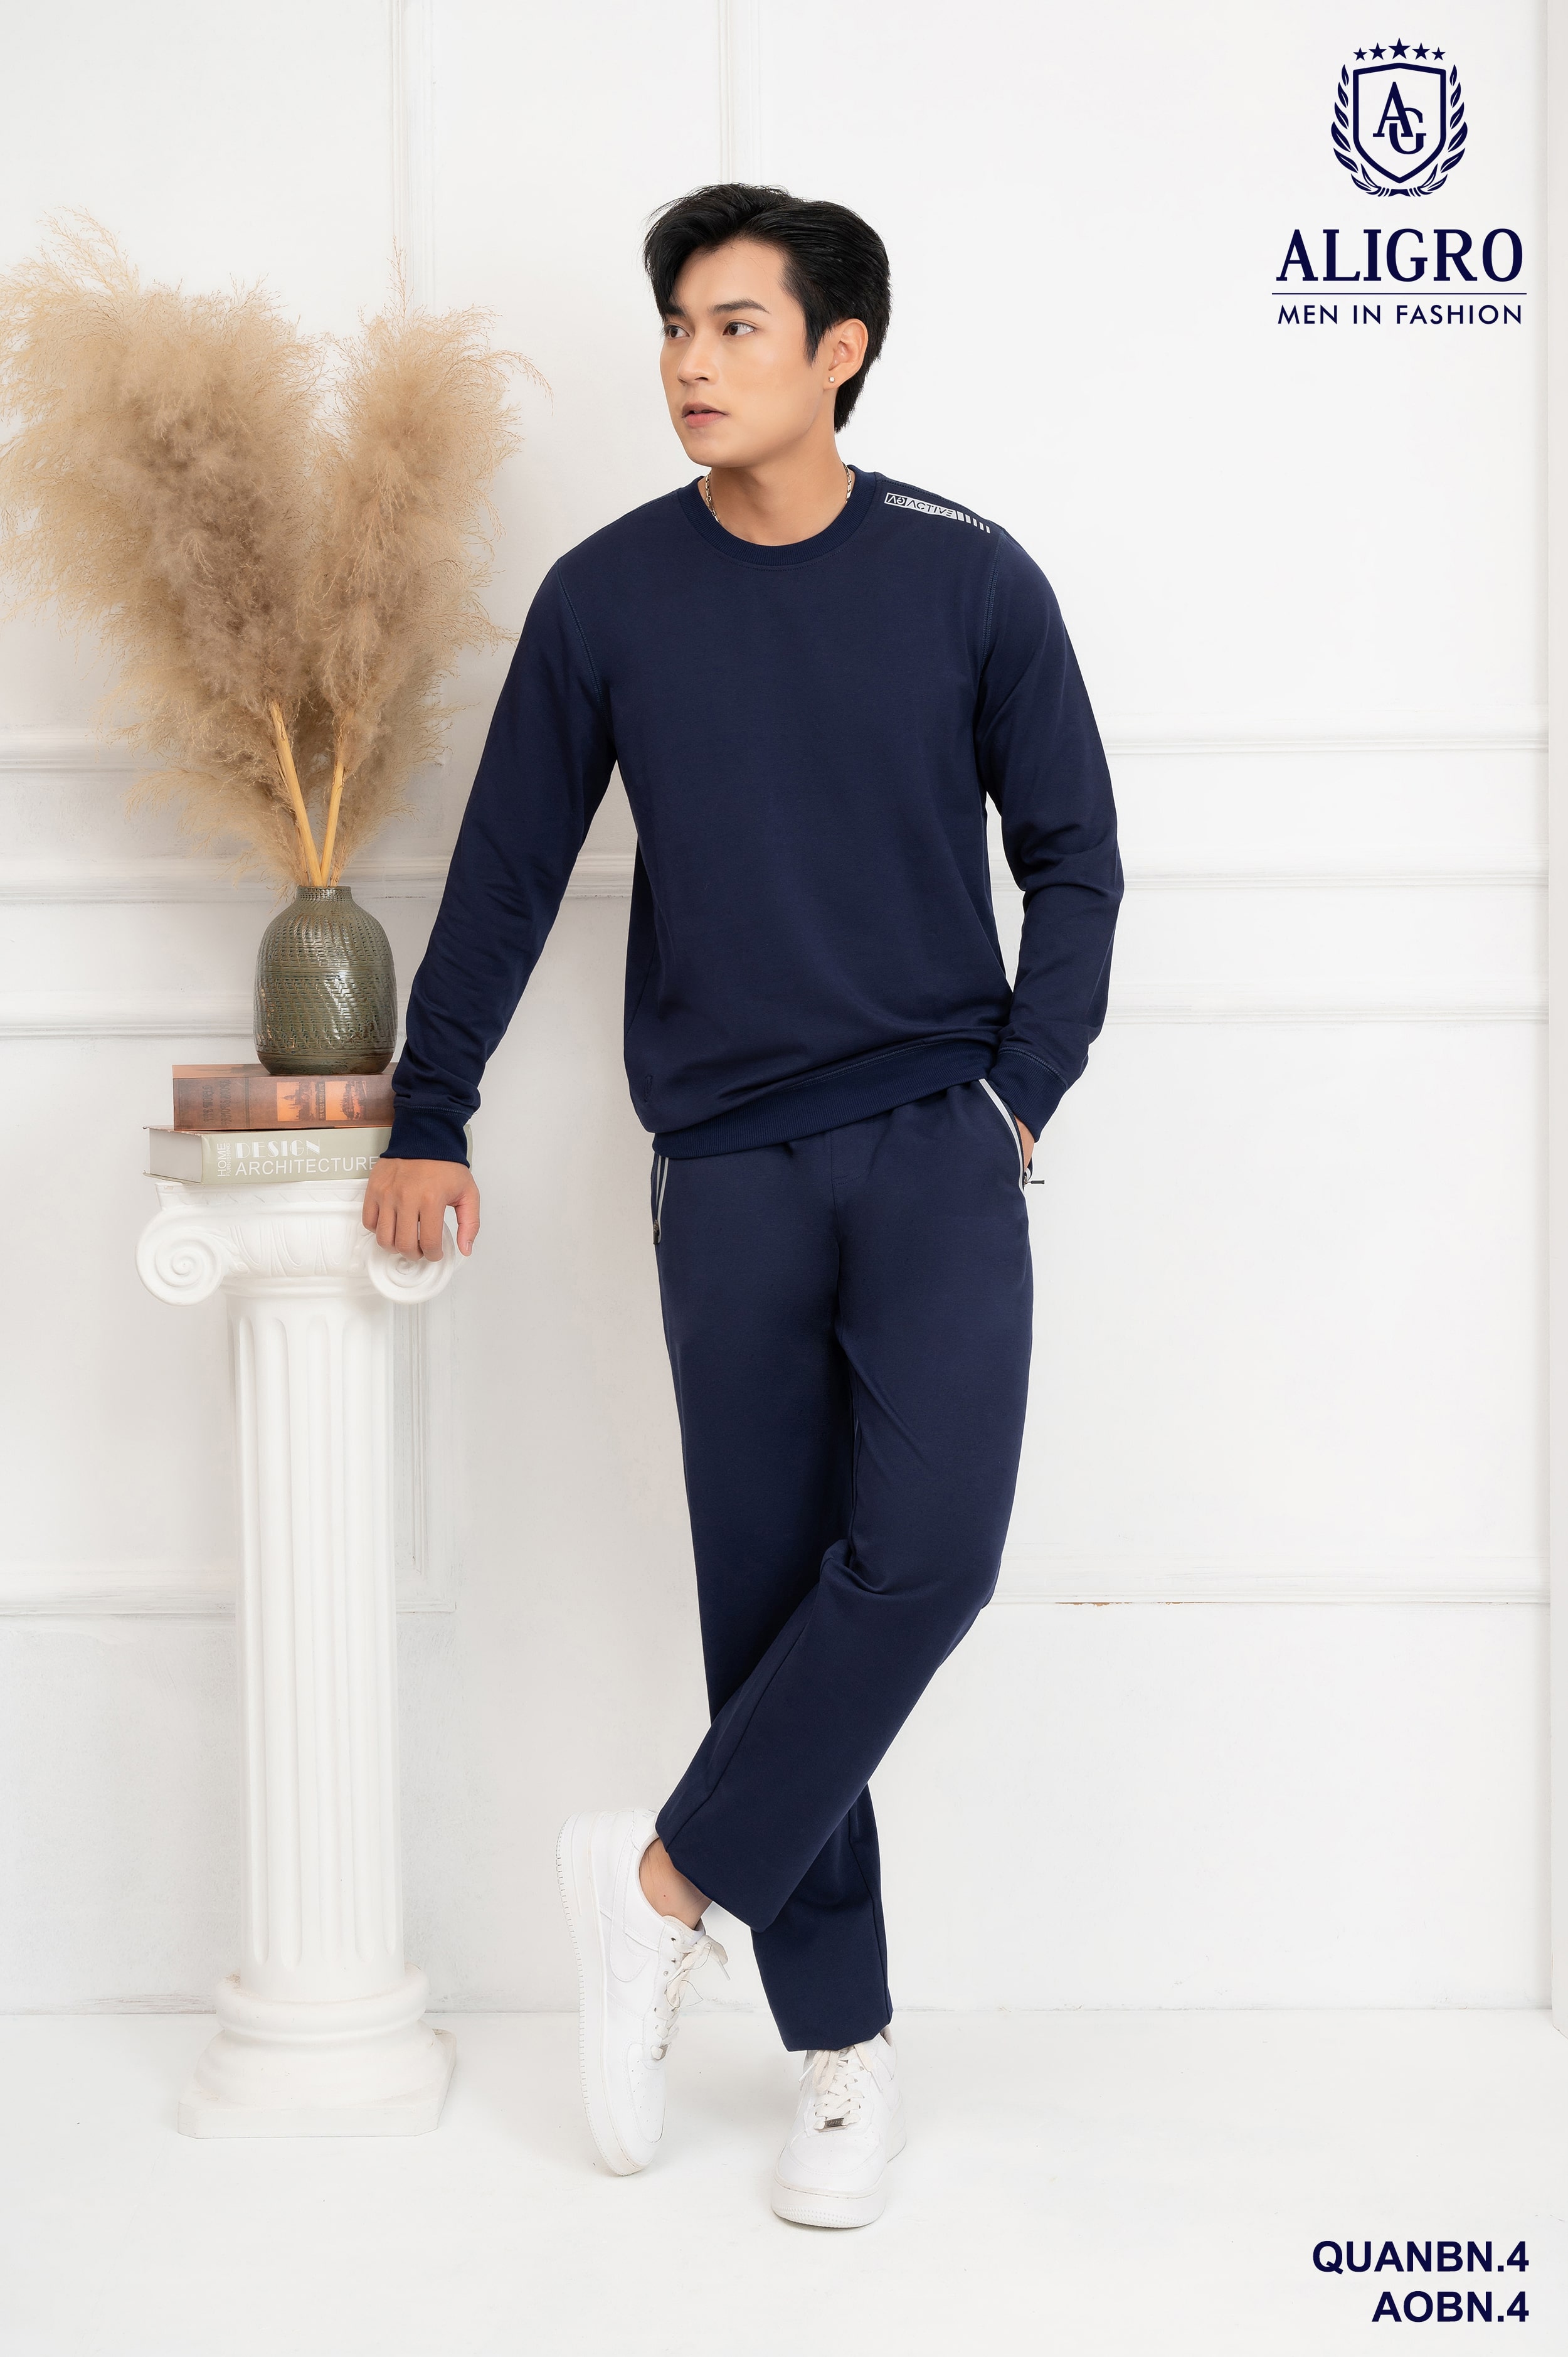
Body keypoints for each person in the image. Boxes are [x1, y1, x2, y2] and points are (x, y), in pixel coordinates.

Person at [363, 181, 1122, 2228]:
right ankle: (837, 2054)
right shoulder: (609, 598)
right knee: (773, 1605)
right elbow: (508, 871)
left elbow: (1072, 852)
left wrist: (1018, 1098)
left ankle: (657, 1884)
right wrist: (430, 1113)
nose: (689, 365)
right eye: (675, 330)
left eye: (732, 328)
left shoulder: (967, 576)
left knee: (928, 1561)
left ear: (837, 351)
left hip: (936, 1143)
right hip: (722, 1171)